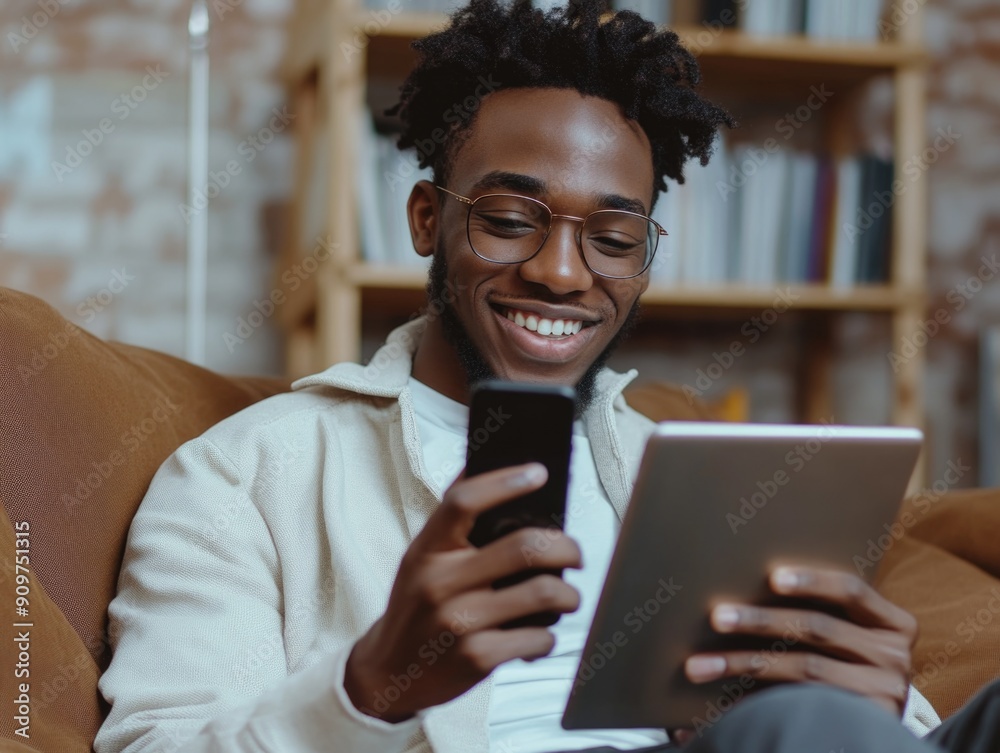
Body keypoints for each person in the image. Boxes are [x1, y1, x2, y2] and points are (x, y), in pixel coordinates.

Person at [95, 1, 1000, 752]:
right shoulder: (242, 474)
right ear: (424, 218)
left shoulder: (692, 473)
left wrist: (887, 706)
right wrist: (368, 687)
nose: (562, 274)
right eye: (510, 218)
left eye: (612, 239)